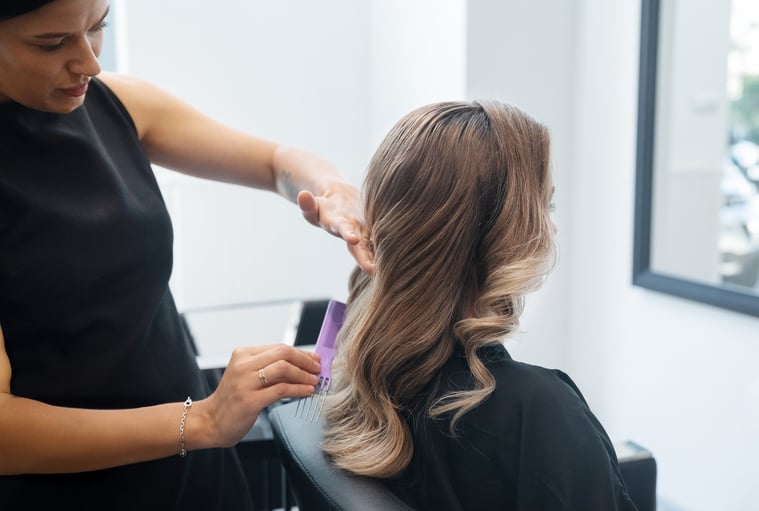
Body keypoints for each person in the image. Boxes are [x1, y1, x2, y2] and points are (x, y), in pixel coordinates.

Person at [0, 0, 373, 509]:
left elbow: (273, 163)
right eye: (52, 43)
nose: (89, 62)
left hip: (198, 470)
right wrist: (201, 420)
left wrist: (330, 189)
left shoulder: (115, 104)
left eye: (97, 27)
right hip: (72, 491)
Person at [322, 100, 638, 510]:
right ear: (509, 236)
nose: (551, 225)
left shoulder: (358, 380)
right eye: (546, 206)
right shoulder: (538, 413)